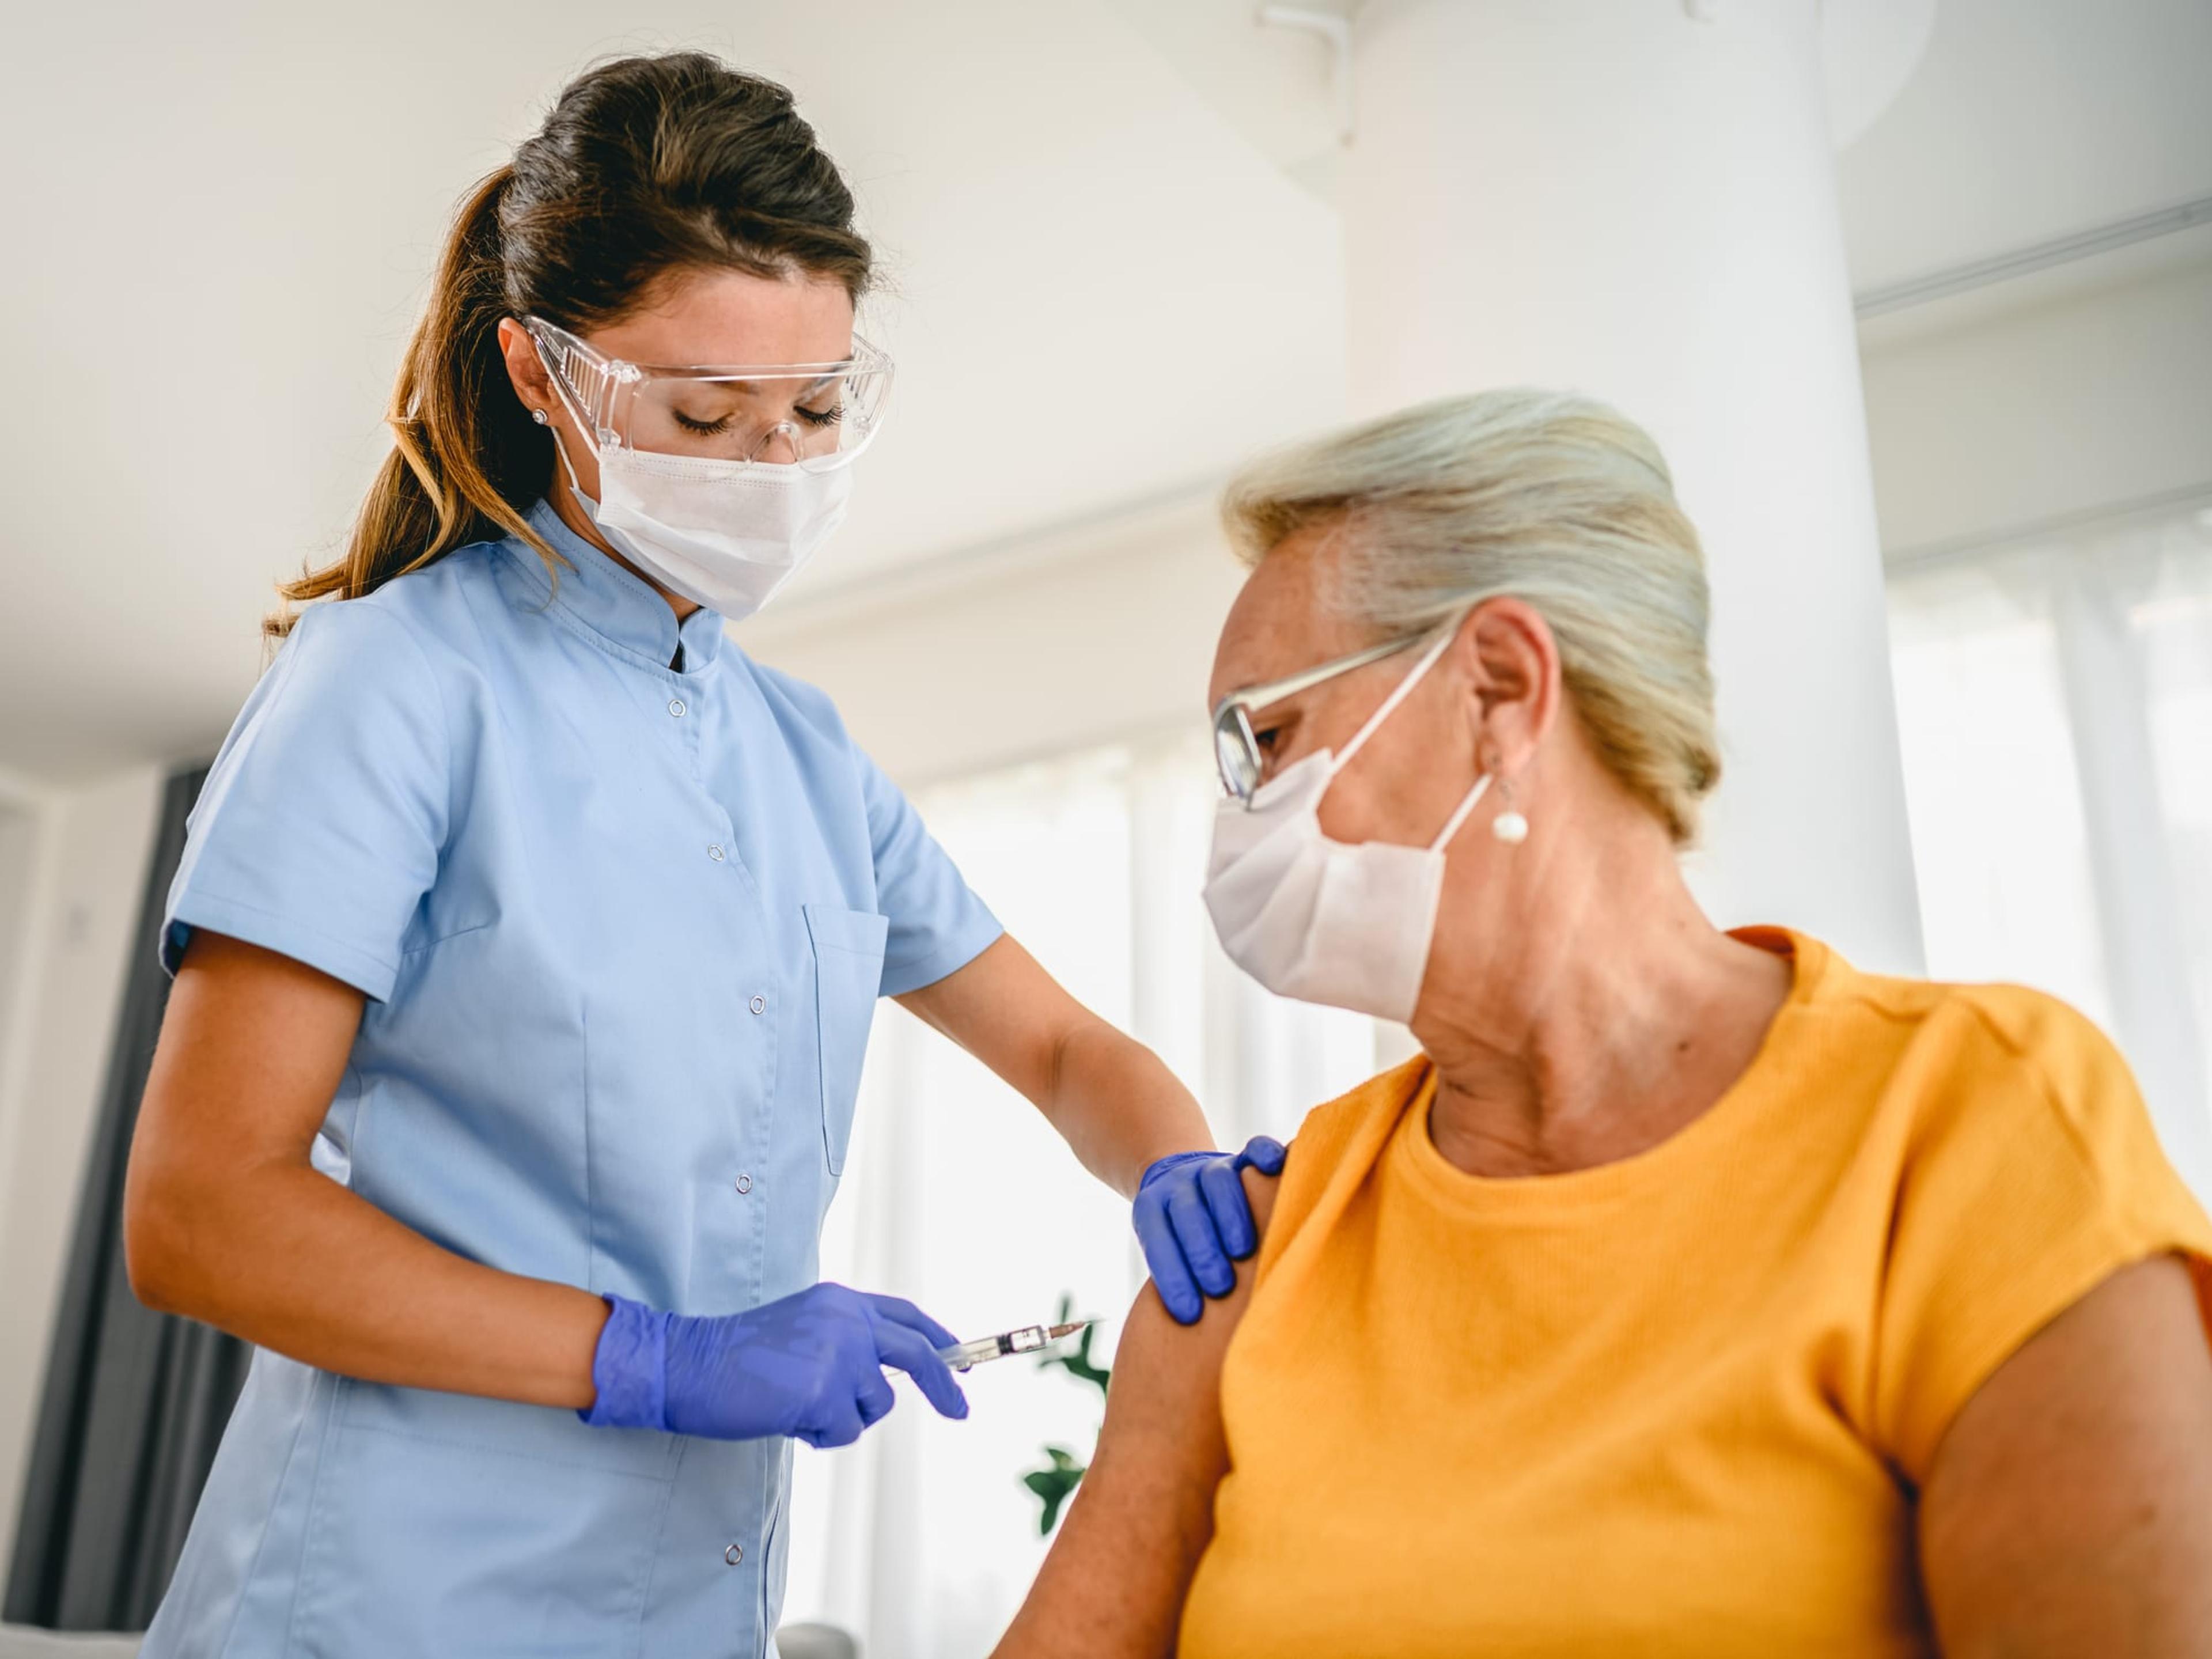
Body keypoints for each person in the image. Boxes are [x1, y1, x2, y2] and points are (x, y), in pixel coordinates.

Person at [122, 53, 1268, 1658]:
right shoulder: (391, 681)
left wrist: (1174, 1163)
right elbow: (201, 1218)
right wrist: (658, 1360)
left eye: (812, 411)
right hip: (389, 1601)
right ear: (538, 374)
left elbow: (1069, 1047)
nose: (770, 471)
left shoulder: (802, 756)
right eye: (705, 415)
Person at [993, 389, 2212, 1657]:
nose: (1237, 819)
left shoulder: (1972, 1121)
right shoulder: (1272, 1238)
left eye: (1271, 736)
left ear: (1504, 690)